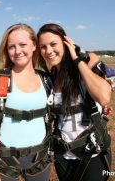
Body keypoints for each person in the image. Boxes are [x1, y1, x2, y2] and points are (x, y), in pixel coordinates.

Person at [37, 23, 112, 181]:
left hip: (92, 152)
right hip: (63, 155)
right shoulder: (51, 77)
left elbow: (104, 97)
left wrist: (77, 60)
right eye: (43, 47)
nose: (48, 51)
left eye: (53, 44)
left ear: (66, 42)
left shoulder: (87, 61)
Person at [0, 23, 51, 181]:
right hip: (6, 162)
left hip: (40, 160)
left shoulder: (46, 79)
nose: (18, 51)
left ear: (34, 46)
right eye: (12, 47)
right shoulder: (1, 79)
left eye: (23, 45)